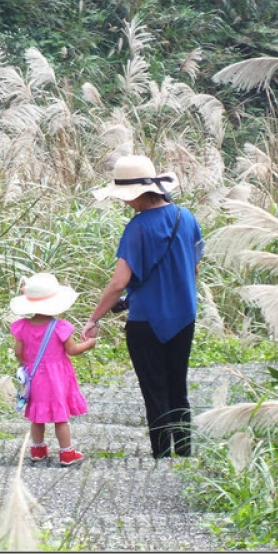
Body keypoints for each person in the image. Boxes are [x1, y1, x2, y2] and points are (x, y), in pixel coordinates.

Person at [81, 155, 203, 459]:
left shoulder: (137, 228)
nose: (125, 203)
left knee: (154, 387)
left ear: (137, 194)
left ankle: (162, 455)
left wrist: (93, 318)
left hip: (146, 320)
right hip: (184, 314)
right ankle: (185, 451)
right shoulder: (186, 218)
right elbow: (195, 268)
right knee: (178, 384)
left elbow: (119, 283)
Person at [10, 272, 96, 466]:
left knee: (37, 416)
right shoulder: (60, 327)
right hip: (57, 378)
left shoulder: (22, 327)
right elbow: (72, 350)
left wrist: (25, 364)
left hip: (35, 377)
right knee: (60, 417)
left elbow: (18, 352)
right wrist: (89, 344)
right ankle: (66, 453)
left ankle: (38, 450)